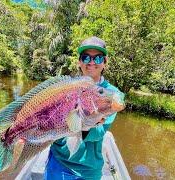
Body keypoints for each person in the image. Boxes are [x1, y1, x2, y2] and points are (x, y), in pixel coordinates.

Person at [44, 36, 125, 180]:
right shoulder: (66, 88)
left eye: (98, 58)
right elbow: (49, 120)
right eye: (86, 58)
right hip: (59, 161)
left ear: (105, 63)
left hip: (88, 170)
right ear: (79, 62)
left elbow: (99, 133)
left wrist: (85, 122)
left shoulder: (112, 95)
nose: (92, 62)